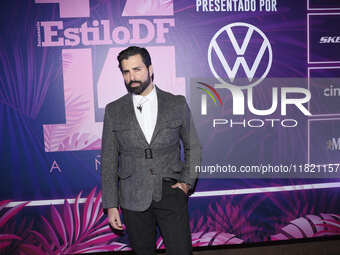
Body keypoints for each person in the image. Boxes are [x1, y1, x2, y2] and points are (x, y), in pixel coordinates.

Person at [100, 46, 201, 255]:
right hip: (132, 196)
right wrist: (111, 205)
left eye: (137, 69)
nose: (132, 77)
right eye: (126, 72)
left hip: (171, 192)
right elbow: (109, 160)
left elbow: (193, 146)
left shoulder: (176, 103)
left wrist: (186, 183)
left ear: (150, 69)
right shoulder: (114, 110)